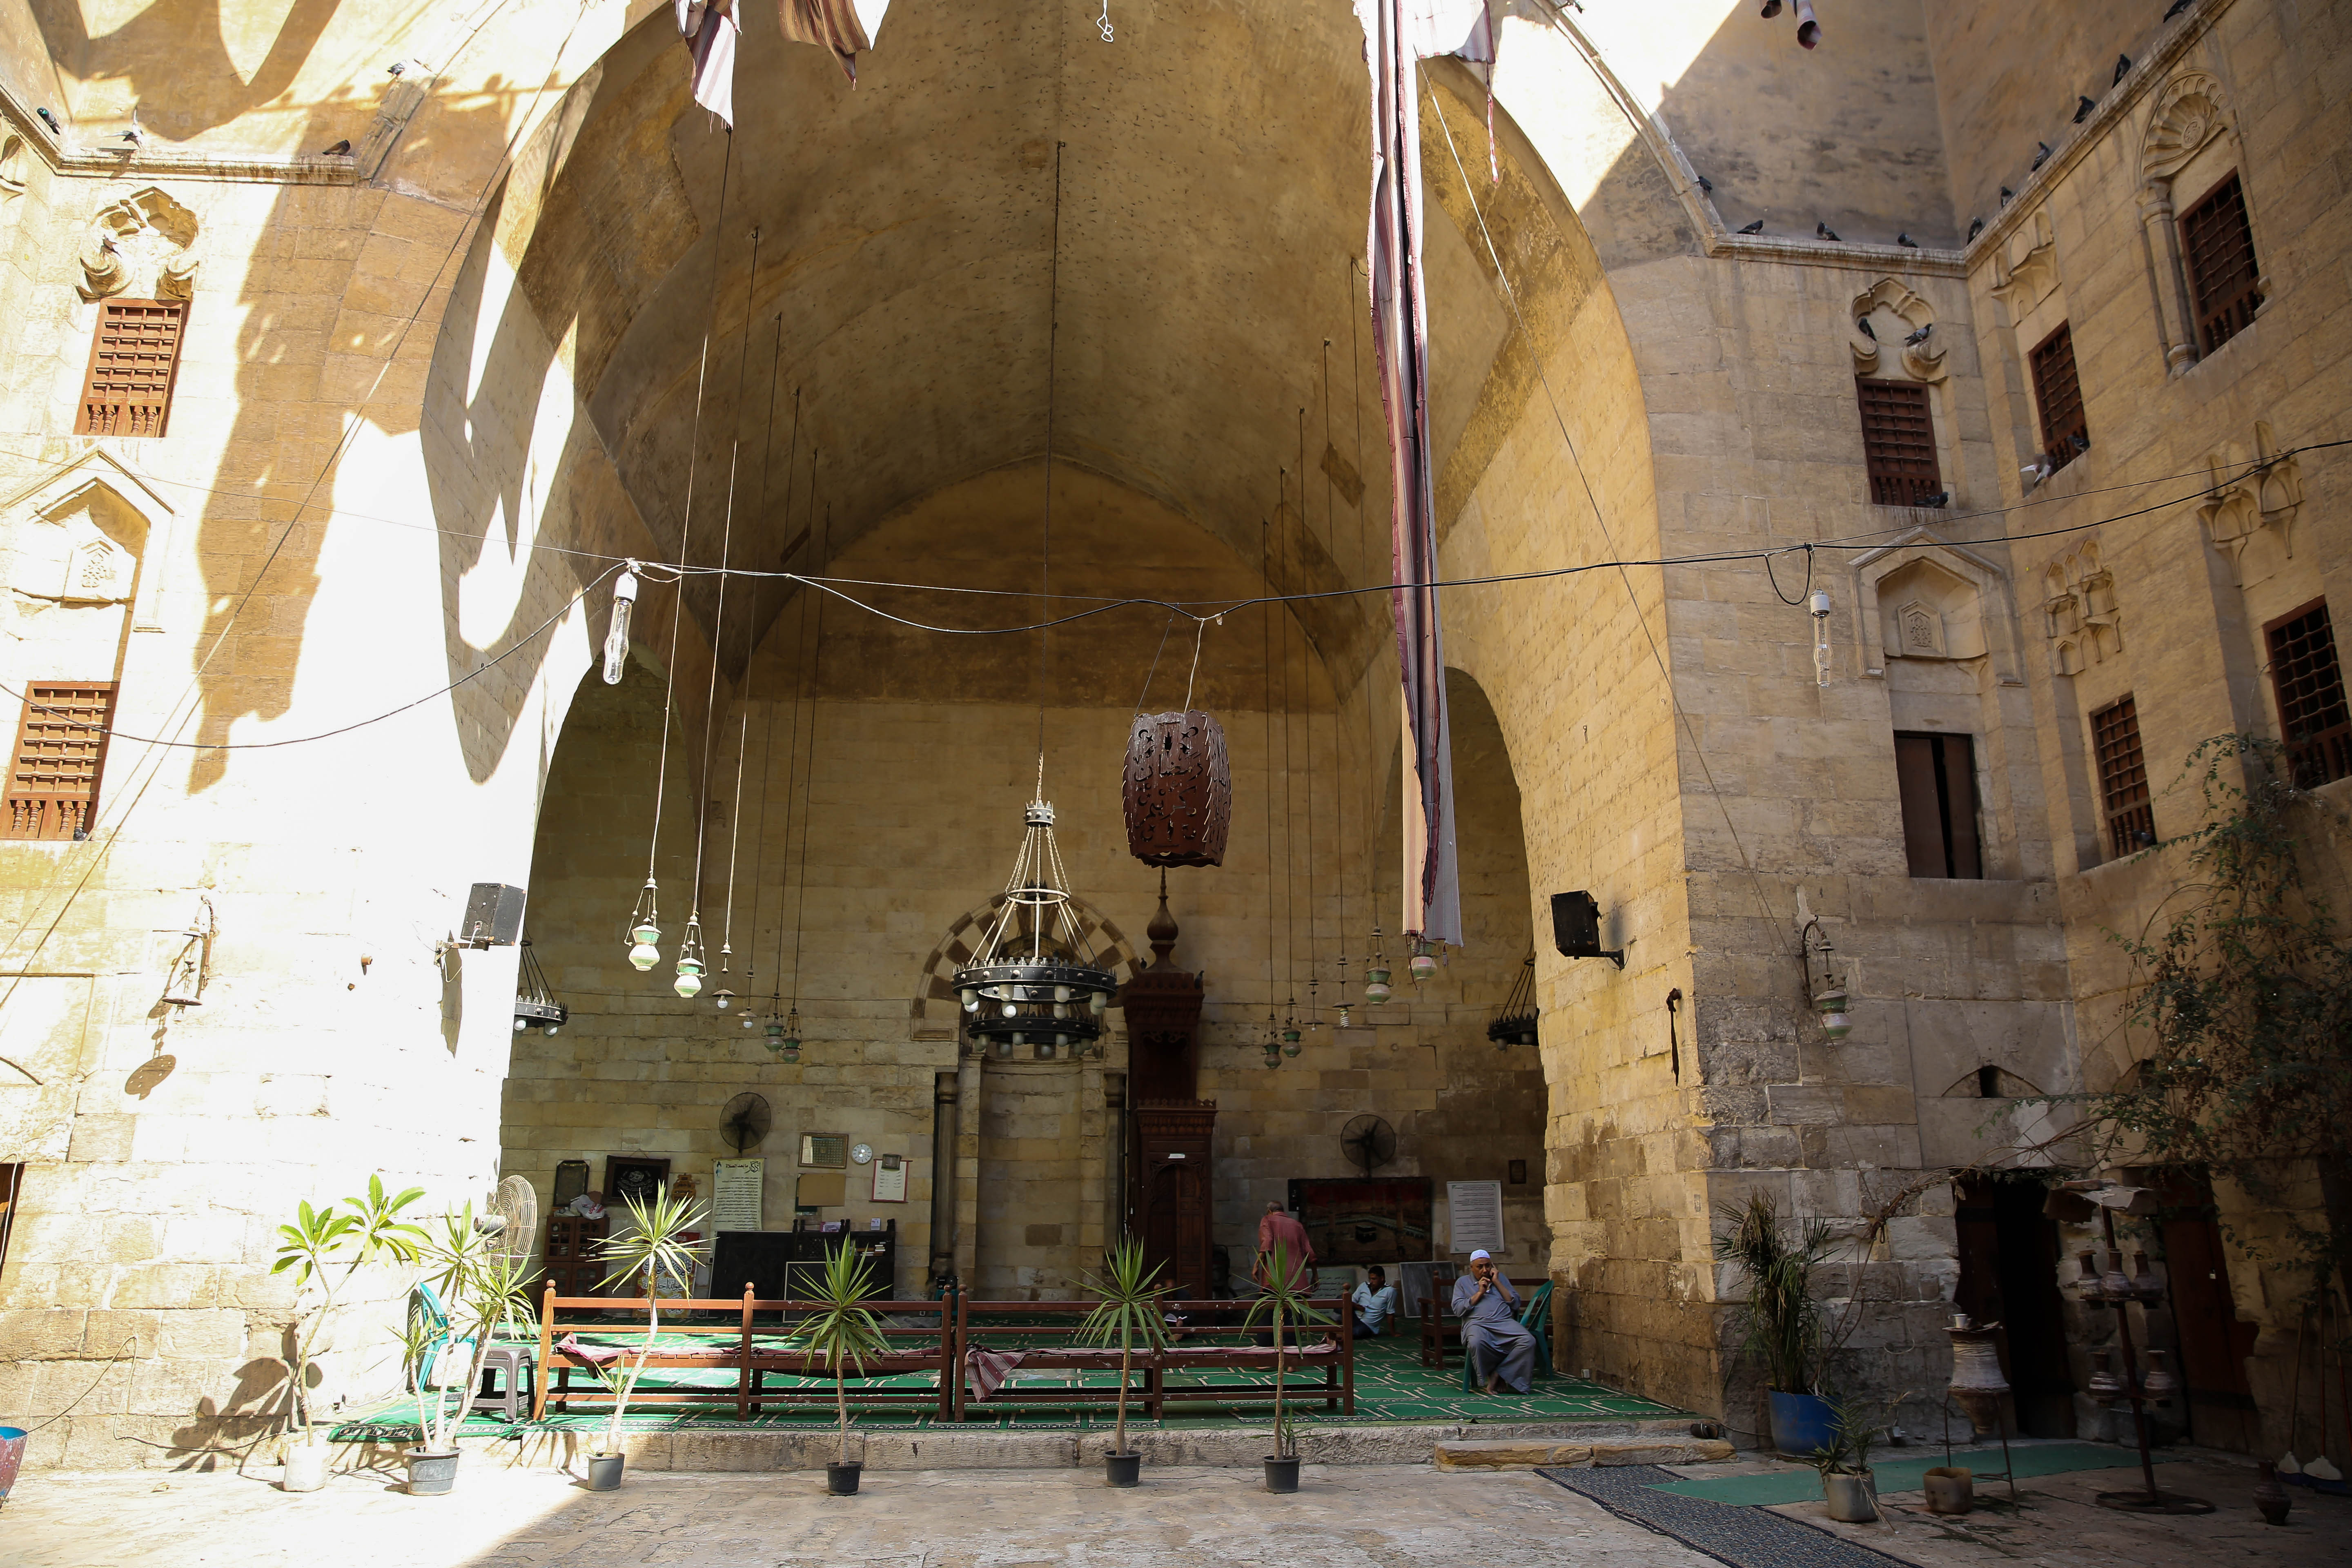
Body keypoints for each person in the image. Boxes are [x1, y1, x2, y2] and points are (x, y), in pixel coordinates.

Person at [1450, 1249, 1537, 1394]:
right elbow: (1458, 1310)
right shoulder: (1463, 1283)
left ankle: (1499, 1374)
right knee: (1476, 1342)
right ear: (1471, 1268)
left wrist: (1497, 1282)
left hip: (1503, 1322)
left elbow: (1515, 1304)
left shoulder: (1500, 1278)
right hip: (1477, 1324)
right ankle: (1493, 1374)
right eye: (1480, 1267)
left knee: (1528, 1341)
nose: (1485, 1270)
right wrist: (1480, 1293)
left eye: (1488, 1266)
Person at [1252, 1201, 1316, 1346]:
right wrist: (1315, 1275)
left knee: (1268, 1315)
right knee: (1293, 1318)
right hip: (1296, 1280)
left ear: (1270, 1211)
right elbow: (1310, 1252)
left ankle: (1266, 1352)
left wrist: (1256, 1265)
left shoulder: (1267, 1220)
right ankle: (1292, 1353)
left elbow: (1267, 1242)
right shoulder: (1297, 1225)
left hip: (1274, 1279)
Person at [1351, 1265, 1399, 1339]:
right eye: (1370, 1279)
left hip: (1368, 1325)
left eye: (1374, 1279)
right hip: (1355, 1318)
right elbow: (1351, 1301)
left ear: (1382, 1279)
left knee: (1358, 1332)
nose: (1371, 1282)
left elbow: (1390, 1313)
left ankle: (1341, 1334)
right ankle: (1337, 1326)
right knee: (1341, 1299)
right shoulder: (1364, 1286)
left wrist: (1393, 1333)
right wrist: (1357, 1307)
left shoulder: (1390, 1291)